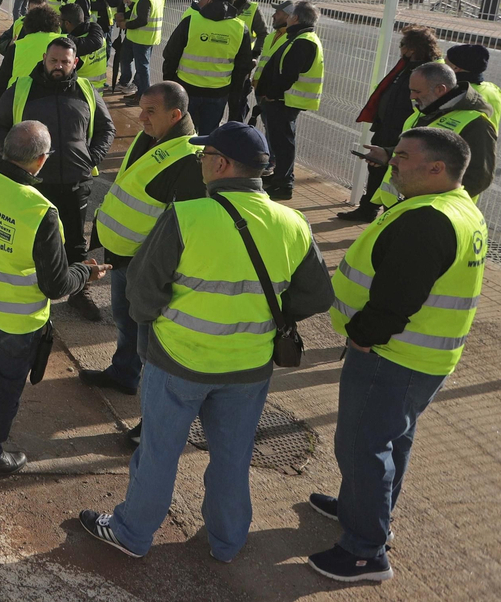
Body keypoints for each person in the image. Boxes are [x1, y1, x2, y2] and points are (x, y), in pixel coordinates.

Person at [79, 121, 335, 562]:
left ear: (221, 164)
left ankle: (133, 533)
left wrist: (153, 324)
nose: (199, 162)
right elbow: (315, 295)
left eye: (203, 155)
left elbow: (141, 293)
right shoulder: (293, 223)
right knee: (233, 457)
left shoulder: (187, 215)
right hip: (250, 367)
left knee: (159, 453)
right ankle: (227, 541)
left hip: (179, 360)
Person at [307, 127, 486, 583]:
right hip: (422, 357)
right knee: (392, 440)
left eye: (403, 157)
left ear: (436, 168)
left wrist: (362, 337)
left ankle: (365, 551)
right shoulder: (458, 206)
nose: (392, 162)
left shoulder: (427, 219)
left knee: (362, 447)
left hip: (392, 355)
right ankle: (364, 510)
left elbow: (398, 295)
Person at [0, 121, 112, 475]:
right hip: (18, 318)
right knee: (6, 383)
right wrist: (86, 272)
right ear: (41, 161)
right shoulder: (39, 212)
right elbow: (57, 285)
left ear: (3, 149)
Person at [81, 83, 206, 434]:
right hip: (123, 256)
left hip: (148, 266)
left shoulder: (189, 158)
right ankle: (123, 374)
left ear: (175, 115)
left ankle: (153, 420)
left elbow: (184, 226)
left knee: (153, 345)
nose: (140, 116)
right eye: (142, 108)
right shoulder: (149, 137)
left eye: (150, 111)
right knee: (125, 319)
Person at [0, 38, 114, 321]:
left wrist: (91, 158)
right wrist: (14, 160)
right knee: (30, 240)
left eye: (64, 62)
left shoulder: (86, 90)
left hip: (75, 183)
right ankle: (31, 291)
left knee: (76, 243)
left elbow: (107, 127)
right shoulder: (22, 89)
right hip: (32, 185)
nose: (58, 66)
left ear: (75, 63)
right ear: (44, 58)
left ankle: (79, 293)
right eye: (53, 60)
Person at [367, 62, 497, 207]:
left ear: (440, 90)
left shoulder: (476, 124)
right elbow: (419, 151)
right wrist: (387, 153)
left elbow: (479, 177)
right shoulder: (425, 110)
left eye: (417, 91)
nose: (411, 96)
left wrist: (433, 205)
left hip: (429, 210)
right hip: (400, 204)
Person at [253, 1, 325, 201]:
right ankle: (279, 178)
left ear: (296, 18)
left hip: (286, 100)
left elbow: (288, 75)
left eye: (291, 15)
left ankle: (284, 184)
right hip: (284, 99)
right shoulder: (299, 38)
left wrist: (272, 93)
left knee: (283, 144)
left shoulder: (303, 41)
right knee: (279, 142)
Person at [162, 0, 253, 136]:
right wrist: (235, 99)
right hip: (218, 93)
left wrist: (170, 85)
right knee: (208, 136)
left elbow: (170, 55)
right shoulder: (240, 28)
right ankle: (203, 159)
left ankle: (185, 159)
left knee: (183, 133)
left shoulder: (191, 21)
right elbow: (242, 68)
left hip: (187, 89)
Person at [0, 4, 65, 92]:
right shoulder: (65, 44)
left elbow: (2, 80)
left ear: (27, 25)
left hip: (19, 96)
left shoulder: (16, 47)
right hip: (54, 97)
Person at [116, 0, 163, 98]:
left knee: (142, 68)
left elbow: (142, 20)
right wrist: (132, 5)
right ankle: (140, 93)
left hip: (141, 38)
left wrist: (125, 25)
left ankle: (143, 95)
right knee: (141, 66)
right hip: (147, 37)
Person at [229, 0, 271, 121]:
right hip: (223, 60)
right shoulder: (223, 4)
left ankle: (236, 130)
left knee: (238, 100)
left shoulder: (252, 9)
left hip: (242, 64)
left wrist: (254, 54)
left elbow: (263, 33)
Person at [444, 43, 501, 131]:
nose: (442, 67)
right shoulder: (495, 90)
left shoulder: (454, 91)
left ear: (455, 68)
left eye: (446, 64)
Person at [62, 2, 108, 89]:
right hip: (99, 89)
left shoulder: (73, 47)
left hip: (82, 92)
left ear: (67, 23)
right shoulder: (100, 37)